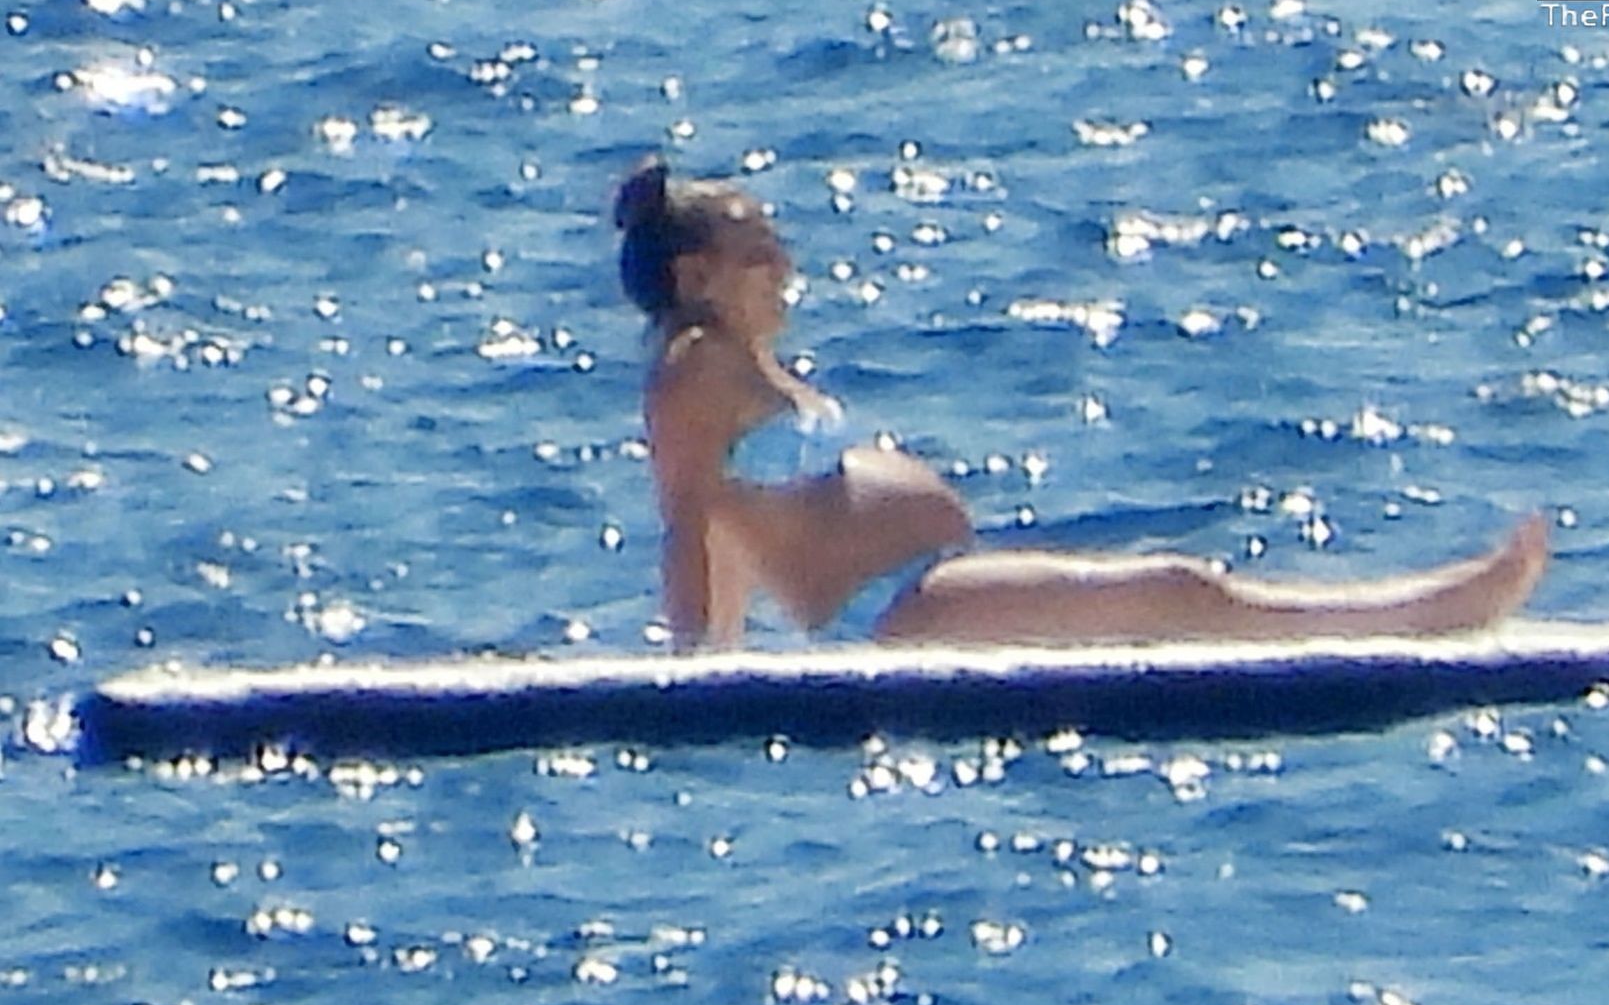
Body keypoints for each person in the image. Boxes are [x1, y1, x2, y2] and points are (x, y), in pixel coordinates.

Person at [617, 157, 1548, 649]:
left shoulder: (742, 369)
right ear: (694, 277)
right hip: (894, 607)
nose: (783, 266)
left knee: (1174, 592)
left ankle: (1415, 609)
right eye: (757, 254)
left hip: (918, 590)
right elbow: (692, 519)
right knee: (1176, 589)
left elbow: (730, 521)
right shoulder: (694, 368)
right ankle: (1427, 611)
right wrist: (701, 675)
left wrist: (723, 658)